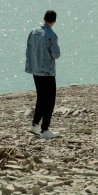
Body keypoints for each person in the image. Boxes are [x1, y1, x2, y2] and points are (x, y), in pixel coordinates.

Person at [25, 9, 61, 139]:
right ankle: (45, 129)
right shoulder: (51, 35)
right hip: (47, 71)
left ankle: (35, 125)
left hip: (35, 70)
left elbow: (29, 50)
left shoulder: (33, 32)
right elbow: (56, 54)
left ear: (44, 18)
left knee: (41, 97)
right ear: (54, 21)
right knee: (50, 100)